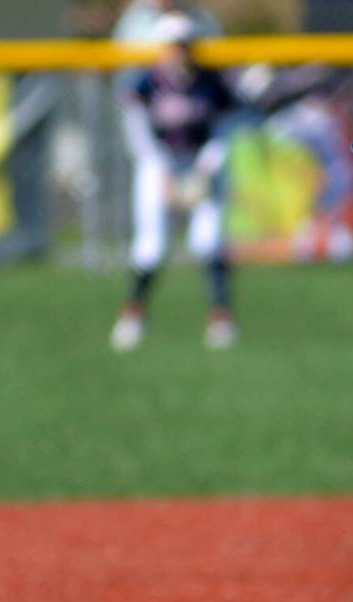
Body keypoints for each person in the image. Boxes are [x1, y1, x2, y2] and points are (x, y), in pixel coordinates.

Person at [109, 11, 240, 351]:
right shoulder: (146, 83)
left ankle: (221, 319)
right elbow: (138, 134)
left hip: (200, 163)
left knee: (209, 241)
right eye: (172, 45)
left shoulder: (211, 82)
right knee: (151, 247)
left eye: (184, 45)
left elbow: (225, 128)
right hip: (158, 165)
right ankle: (132, 315)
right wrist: (163, 171)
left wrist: (205, 168)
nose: (179, 52)